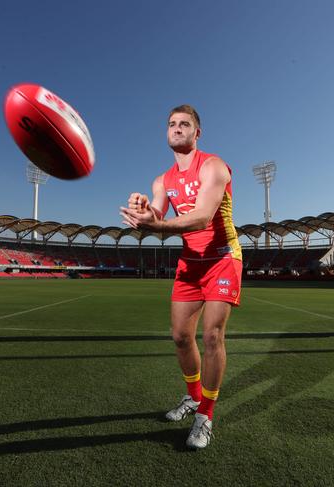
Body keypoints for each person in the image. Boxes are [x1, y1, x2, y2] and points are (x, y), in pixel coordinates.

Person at [120, 104, 242, 450]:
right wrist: (145, 209)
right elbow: (157, 210)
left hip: (222, 258)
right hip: (190, 262)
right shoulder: (163, 179)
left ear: (196, 133)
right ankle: (192, 397)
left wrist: (156, 225)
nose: (176, 128)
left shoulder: (214, 166)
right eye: (172, 124)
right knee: (179, 337)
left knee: (213, 336)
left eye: (184, 124)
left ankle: (205, 415)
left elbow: (203, 217)